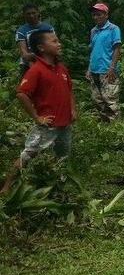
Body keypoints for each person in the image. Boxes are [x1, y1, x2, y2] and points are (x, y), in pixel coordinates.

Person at [1, 30, 75, 194]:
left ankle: (57, 188)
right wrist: (37, 117)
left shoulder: (61, 68)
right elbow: (21, 93)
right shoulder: (37, 70)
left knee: (62, 158)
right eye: (54, 41)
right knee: (28, 154)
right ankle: (6, 187)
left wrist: (72, 109)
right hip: (48, 125)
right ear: (41, 48)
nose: (59, 44)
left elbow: (69, 90)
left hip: (65, 124)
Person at [87, 2, 122, 121]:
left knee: (110, 100)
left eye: (98, 14)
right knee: (97, 99)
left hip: (107, 70)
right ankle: (104, 124)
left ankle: (116, 126)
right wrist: (89, 69)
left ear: (106, 15)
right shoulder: (93, 31)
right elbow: (92, 50)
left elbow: (117, 48)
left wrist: (112, 68)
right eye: (94, 15)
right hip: (94, 70)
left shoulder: (113, 29)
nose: (96, 17)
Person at [15, 3, 54, 77]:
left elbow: (54, 47)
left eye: (33, 13)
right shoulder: (21, 31)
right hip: (28, 65)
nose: (31, 16)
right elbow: (24, 54)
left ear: (38, 13)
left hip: (48, 62)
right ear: (24, 15)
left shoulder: (48, 28)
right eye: (28, 14)